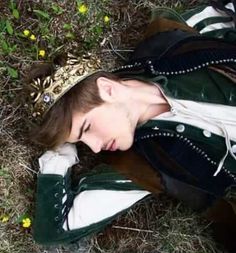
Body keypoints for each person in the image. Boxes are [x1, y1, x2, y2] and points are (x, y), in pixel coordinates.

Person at [27, 1, 236, 249]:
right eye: (81, 142)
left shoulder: (172, 41)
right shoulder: (142, 163)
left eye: (87, 129)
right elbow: (54, 229)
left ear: (108, 88)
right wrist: (58, 158)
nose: (93, 148)